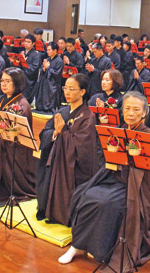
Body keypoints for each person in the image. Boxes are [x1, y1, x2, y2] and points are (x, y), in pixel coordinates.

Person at [61, 91, 150, 268]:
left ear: (144, 112)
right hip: (114, 179)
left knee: (104, 203)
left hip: (136, 188)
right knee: (84, 193)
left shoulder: (149, 137)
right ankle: (78, 245)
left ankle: (101, 250)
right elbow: (106, 160)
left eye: (136, 109)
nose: (131, 113)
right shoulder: (118, 131)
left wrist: (133, 163)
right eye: (127, 108)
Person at [36, 73, 102, 225]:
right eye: (65, 88)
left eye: (72, 89)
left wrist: (64, 132)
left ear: (82, 92)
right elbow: (45, 132)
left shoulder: (88, 116)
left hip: (72, 165)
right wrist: (55, 133)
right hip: (55, 158)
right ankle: (47, 209)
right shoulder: (62, 111)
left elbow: (83, 146)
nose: (67, 92)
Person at [0, 67, 36, 201]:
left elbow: (11, 130)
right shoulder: (4, 99)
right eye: (2, 81)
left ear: (17, 83)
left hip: (14, 148)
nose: (3, 84)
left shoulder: (21, 105)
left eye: (8, 81)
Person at [34, 42, 64, 114]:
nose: (47, 52)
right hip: (45, 81)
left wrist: (48, 68)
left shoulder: (59, 61)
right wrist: (44, 69)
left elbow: (57, 74)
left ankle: (50, 108)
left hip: (53, 83)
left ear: (55, 51)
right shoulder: (47, 59)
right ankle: (41, 107)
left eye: (49, 50)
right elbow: (42, 70)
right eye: (47, 50)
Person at [20, 34, 42, 102]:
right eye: (25, 41)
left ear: (33, 44)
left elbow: (34, 69)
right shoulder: (22, 52)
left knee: (26, 99)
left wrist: (24, 61)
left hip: (29, 80)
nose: (26, 43)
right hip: (21, 77)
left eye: (28, 42)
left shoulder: (36, 55)